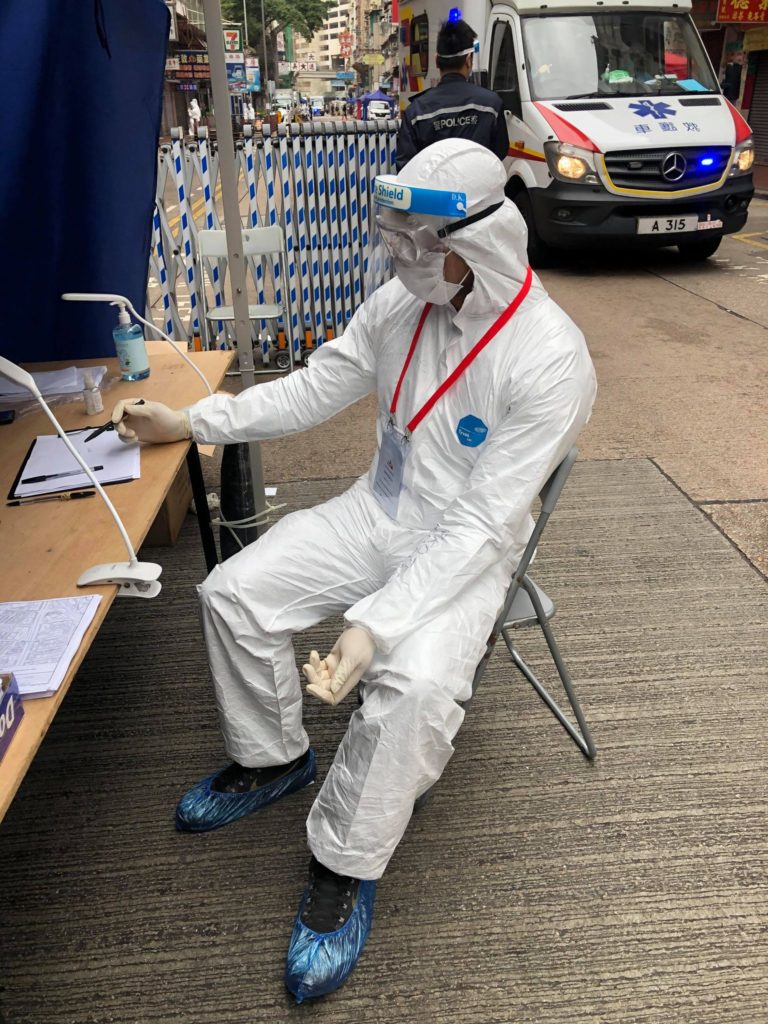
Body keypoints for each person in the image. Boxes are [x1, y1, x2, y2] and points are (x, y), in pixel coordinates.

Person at [109, 139, 596, 1003]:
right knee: (232, 593)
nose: (402, 262)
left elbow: (486, 523)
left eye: (420, 246)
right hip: (379, 511)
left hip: (464, 553)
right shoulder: (402, 304)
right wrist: (191, 420)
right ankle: (272, 757)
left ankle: (343, 862)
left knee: (405, 689)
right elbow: (309, 389)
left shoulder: (551, 357)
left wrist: (375, 626)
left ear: (486, 240)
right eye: (395, 243)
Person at [396, 18, 509, 171]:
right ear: (469, 60)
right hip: (479, 193)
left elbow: (405, 167)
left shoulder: (416, 112)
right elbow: (499, 153)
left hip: (434, 194)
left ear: (436, 61)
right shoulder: (492, 105)